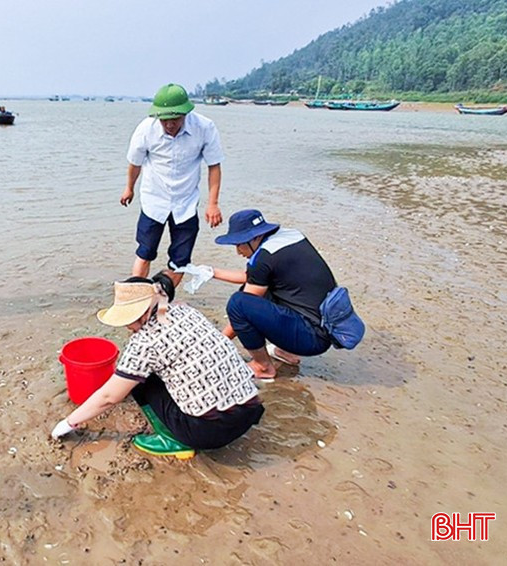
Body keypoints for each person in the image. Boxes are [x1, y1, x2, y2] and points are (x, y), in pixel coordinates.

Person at [51, 273, 264, 460]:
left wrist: (69, 422)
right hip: (249, 411)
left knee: (138, 380)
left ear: (144, 312)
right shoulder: (186, 311)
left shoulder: (145, 343)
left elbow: (109, 397)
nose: (127, 326)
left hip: (210, 433)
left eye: (129, 319)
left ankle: (172, 440)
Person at [211, 209, 337, 380]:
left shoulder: (263, 258)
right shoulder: (291, 237)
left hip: (311, 338)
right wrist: (212, 272)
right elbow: (254, 278)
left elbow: (244, 305)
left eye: (239, 244)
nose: (238, 251)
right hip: (327, 326)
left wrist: (216, 344)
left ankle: (263, 367)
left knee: (238, 302)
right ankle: (286, 352)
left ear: (255, 238)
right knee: (260, 290)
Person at [121, 83, 224, 288]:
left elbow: (214, 166)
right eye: (164, 120)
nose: (169, 125)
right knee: (145, 251)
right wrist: (129, 188)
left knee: (181, 260)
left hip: (186, 202)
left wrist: (213, 203)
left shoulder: (204, 128)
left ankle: (161, 298)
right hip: (154, 200)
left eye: (175, 119)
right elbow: (135, 163)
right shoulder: (145, 129)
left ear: (186, 113)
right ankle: (136, 297)